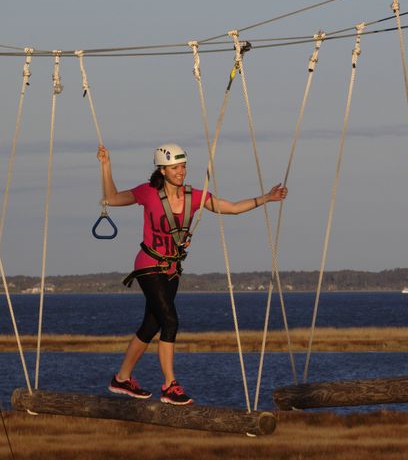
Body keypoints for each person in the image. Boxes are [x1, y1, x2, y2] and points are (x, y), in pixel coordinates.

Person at [97, 143, 287, 405]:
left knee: (152, 325)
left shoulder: (194, 196)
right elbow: (112, 198)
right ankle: (169, 385)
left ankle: (121, 378)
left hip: (173, 270)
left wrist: (266, 197)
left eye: (183, 166)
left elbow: (230, 208)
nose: (181, 171)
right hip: (148, 264)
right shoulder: (147, 192)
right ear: (162, 170)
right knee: (171, 321)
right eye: (175, 167)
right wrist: (106, 165)